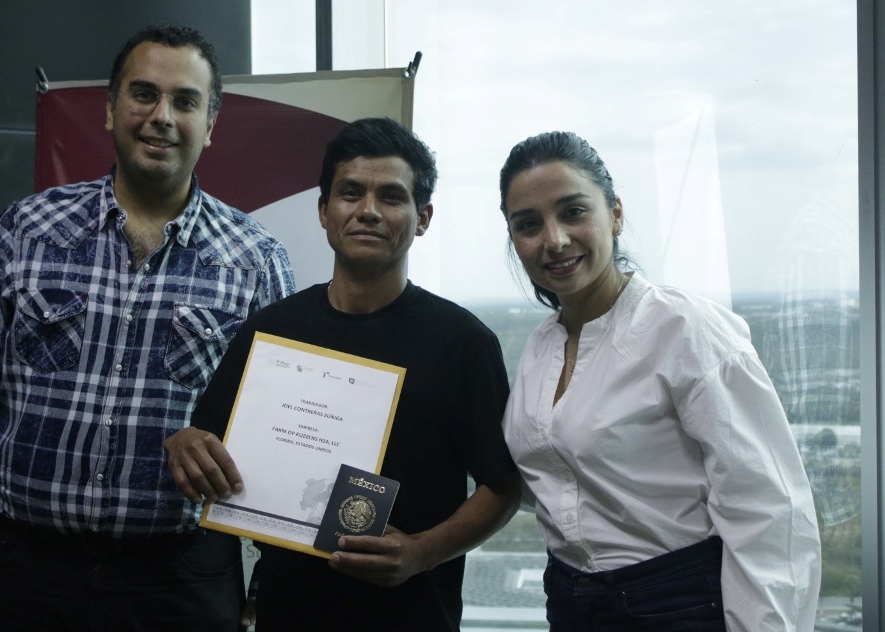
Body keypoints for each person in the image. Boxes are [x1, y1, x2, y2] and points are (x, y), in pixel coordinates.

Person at [0, 24, 295, 632]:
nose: (161, 116)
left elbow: (283, 436)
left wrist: (272, 580)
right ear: (110, 108)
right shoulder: (27, 231)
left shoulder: (257, 261)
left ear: (210, 124)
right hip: (33, 572)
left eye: (185, 101)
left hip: (184, 582)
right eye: (144, 94)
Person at [165, 117, 521, 631]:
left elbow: (503, 488)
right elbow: (206, 441)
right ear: (323, 211)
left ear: (423, 218)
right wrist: (185, 442)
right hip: (287, 615)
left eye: (391, 197)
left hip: (414, 617)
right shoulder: (271, 331)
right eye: (350, 193)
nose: (368, 211)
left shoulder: (464, 343)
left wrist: (421, 552)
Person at [497, 130, 821, 630]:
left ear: (615, 214)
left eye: (573, 211)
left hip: (675, 601)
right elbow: (550, 479)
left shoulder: (686, 330)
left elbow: (767, 508)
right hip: (568, 598)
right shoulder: (541, 348)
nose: (554, 239)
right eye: (528, 224)